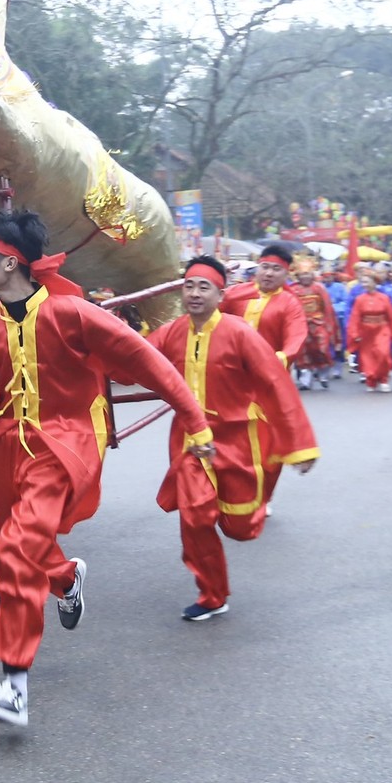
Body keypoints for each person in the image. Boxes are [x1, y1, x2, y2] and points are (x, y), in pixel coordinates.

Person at [0, 209, 212, 728]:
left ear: (9, 261)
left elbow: (149, 364)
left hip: (63, 448)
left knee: (14, 552)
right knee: (29, 547)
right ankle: (66, 579)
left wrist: (196, 421)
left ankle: (14, 684)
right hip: (6, 454)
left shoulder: (74, 314)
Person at [148, 257, 316, 621]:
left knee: (240, 528)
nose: (194, 293)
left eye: (203, 286)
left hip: (238, 440)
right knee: (195, 519)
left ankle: (258, 490)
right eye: (189, 285)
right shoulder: (173, 332)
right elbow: (134, 356)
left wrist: (299, 445)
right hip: (191, 444)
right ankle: (212, 594)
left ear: (220, 294)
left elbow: (276, 385)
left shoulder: (239, 333)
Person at [219, 242, 307, 363]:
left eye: (276, 268)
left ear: (286, 274)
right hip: (232, 367)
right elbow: (211, 313)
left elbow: (296, 336)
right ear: (257, 268)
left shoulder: (290, 303)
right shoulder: (235, 293)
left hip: (268, 368)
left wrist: (282, 357)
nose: (269, 273)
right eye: (265, 267)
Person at [285, 259, 339, 391]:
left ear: (312, 275)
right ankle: (305, 381)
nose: (305, 276)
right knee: (303, 352)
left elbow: (327, 308)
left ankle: (323, 375)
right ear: (298, 275)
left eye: (308, 273)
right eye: (302, 274)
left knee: (322, 348)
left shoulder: (319, 288)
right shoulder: (293, 289)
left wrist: (329, 325)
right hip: (301, 324)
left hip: (318, 322)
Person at [346, 268, 392, 392]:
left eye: (367, 282)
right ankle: (371, 381)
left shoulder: (384, 298)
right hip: (366, 331)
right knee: (367, 357)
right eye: (363, 282)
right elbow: (355, 317)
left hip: (382, 328)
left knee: (383, 353)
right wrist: (354, 333)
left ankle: (383, 379)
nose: (364, 284)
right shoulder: (359, 299)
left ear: (374, 282)